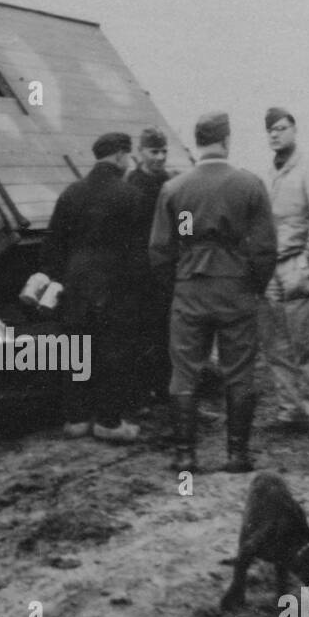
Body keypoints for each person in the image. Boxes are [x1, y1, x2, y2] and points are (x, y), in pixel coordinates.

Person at [148, 112, 278, 473]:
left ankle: (185, 455)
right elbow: (265, 248)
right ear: (227, 139)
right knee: (239, 372)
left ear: (198, 140)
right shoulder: (249, 185)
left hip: (190, 287)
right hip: (236, 287)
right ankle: (237, 455)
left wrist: (176, 285)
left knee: (185, 371)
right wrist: (254, 285)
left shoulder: (174, 188)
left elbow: (160, 249)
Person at [40, 132, 144, 443]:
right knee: (113, 350)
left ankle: (76, 420)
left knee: (77, 349)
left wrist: (59, 278)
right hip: (114, 284)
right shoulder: (130, 195)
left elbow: (52, 244)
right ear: (119, 157)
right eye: (128, 156)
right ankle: (109, 422)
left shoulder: (71, 193)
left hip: (75, 282)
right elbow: (139, 251)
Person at [259, 107, 309, 442]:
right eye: (270, 130)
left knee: (307, 343)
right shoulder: (267, 171)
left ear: (294, 130)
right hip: (272, 266)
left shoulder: (308, 167)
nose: (275, 134)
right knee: (276, 344)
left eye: (282, 128)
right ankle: (290, 410)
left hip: (298, 263)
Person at [126, 126, 175, 407]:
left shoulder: (171, 184)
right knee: (144, 334)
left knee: (170, 334)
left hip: (168, 270)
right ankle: (143, 395)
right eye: (154, 151)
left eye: (164, 151)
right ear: (140, 153)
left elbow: (184, 219)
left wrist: (187, 238)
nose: (160, 157)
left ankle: (166, 390)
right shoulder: (132, 187)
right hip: (141, 273)